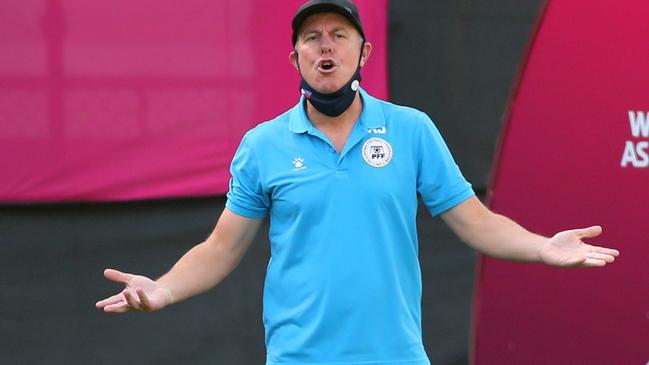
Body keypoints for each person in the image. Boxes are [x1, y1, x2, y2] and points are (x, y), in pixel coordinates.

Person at [96, 1, 620, 364]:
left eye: (339, 36)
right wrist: (161, 289)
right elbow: (220, 249)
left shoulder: (411, 130)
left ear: (363, 53)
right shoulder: (263, 145)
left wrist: (541, 246)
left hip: (396, 356)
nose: (326, 47)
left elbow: (475, 221)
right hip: (299, 358)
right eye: (312, 38)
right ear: (295, 57)